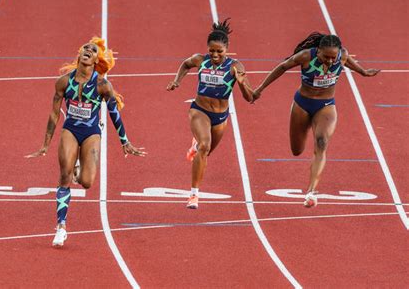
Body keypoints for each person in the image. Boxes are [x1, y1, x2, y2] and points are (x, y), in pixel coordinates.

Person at [26, 37, 146, 247]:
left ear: (96, 60)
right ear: (79, 54)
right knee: (64, 175)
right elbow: (54, 115)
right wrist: (45, 144)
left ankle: (79, 166)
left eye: (93, 50)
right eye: (86, 48)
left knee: (87, 182)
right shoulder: (63, 81)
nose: (88, 50)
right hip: (70, 130)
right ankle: (61, 226)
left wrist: (124, 141)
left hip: (91, 132)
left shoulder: (102, 85)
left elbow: (113, 113)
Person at [252, 32, 380, 207]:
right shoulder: (306, 56)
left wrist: (363, 72)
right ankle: (309, 181)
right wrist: (260, 89)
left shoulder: (341, 55)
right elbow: (282, 67)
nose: (329, 61)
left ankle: (311, 192)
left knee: (321, 142)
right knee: (296, 150)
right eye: (325, 56)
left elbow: (347, 60)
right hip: (302, 104)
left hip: (326, 105)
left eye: (333, 57)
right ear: (318, 51)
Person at [166, 18, 254, 209]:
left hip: (221, 116)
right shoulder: (200, 59)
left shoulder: (236, 67)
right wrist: (177, 81)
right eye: (211, 50)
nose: (214, 54)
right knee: (204, 147)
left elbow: (250, 98)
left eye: (219, 51)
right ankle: (194, 195)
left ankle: (195, 145)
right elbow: (186, 64)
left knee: (205, 153)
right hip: (199, 110)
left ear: (227, 49)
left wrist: (240, 83)